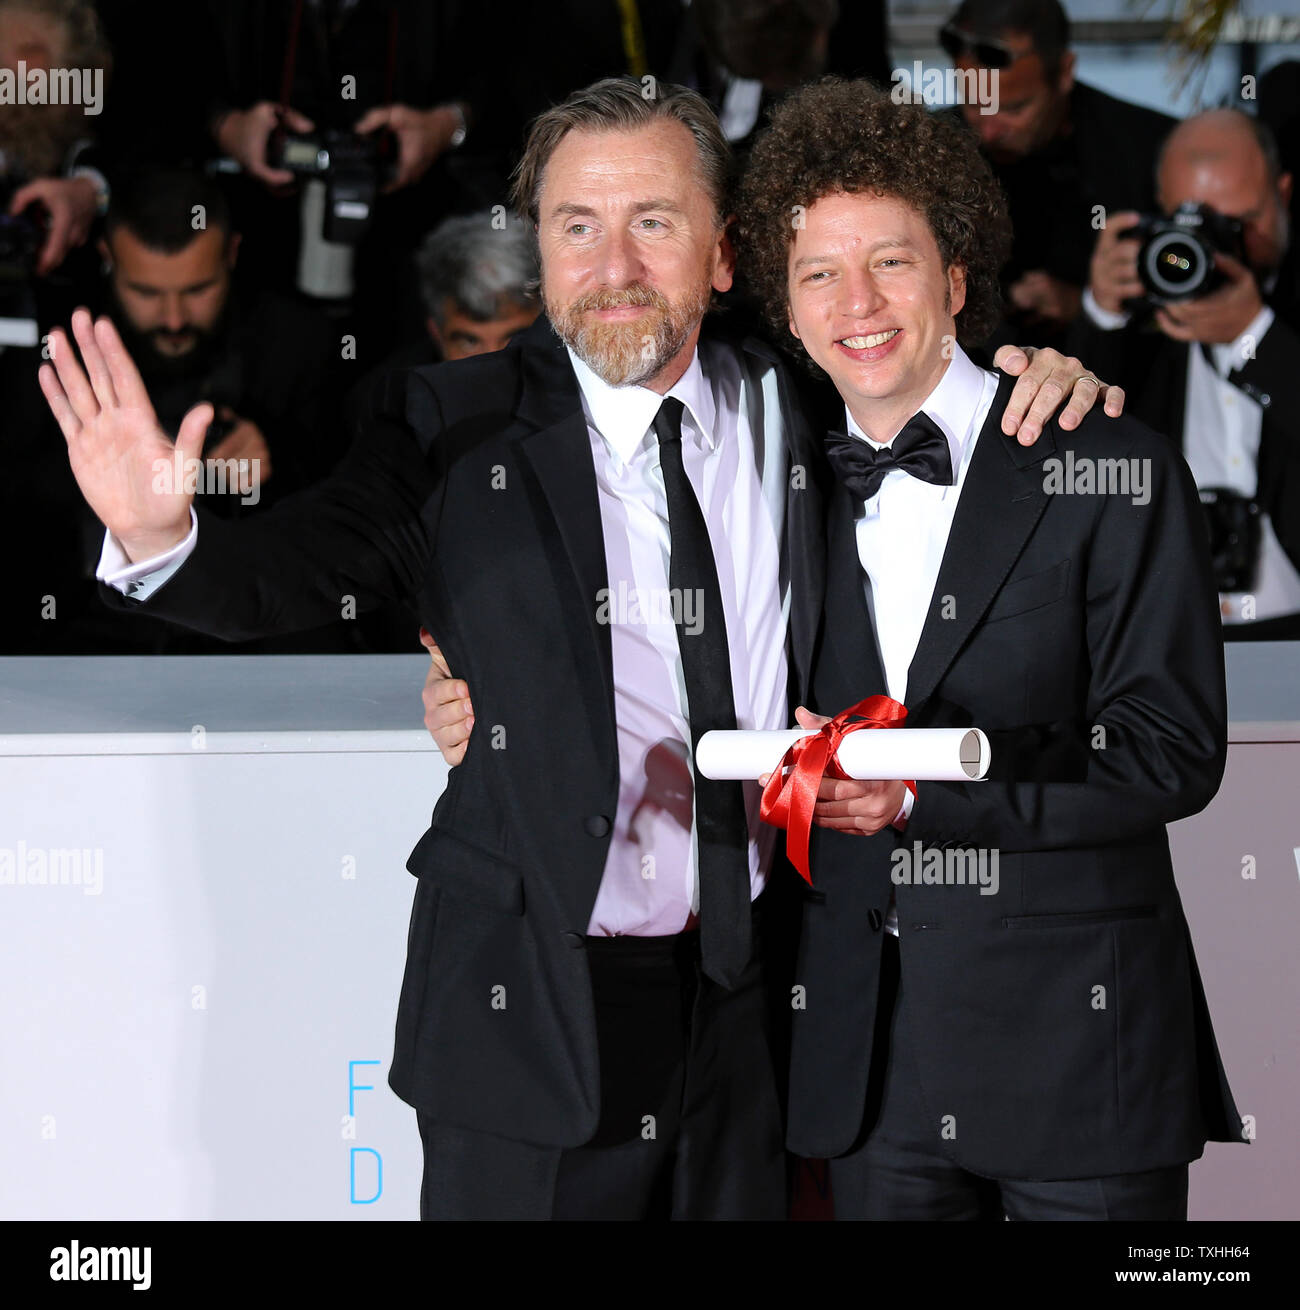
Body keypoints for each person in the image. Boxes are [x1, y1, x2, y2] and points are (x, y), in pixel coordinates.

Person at [39, 78, 1116, 1219]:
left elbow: (932, 379)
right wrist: (166, 537)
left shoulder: (800, 393)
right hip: (526, 1012)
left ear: (722, 252)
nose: (612, 267)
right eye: (575, 227)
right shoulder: (448, 424)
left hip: (753, 1008)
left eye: (652, 221)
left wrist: (1046, 369)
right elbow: (286, 572)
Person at [735, 77, 1240, 1220]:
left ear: (957, 278)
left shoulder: (1103, 461)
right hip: (867, 1073)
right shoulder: (778, 487)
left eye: (891, 262)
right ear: (787, 303)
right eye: (818, 271)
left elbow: (1167, 754)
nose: (855, 300)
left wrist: (924, 789)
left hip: (1081, 1058)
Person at [1072, 109, 1300, 639]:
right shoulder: (1139, 326)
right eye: (1192, 223)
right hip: (1167, 634)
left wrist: (1253, 334)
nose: (1216, 249)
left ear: (1284, 194)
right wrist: (1104, 310)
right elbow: (1070, 449)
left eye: (1237, 223)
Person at [937, 0, 1173, 350]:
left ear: (1064, 73)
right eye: (974, 104)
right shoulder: (932, 150)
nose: (988, 131)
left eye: (1014, 108)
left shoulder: (1148, 150)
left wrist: (1090, 303)